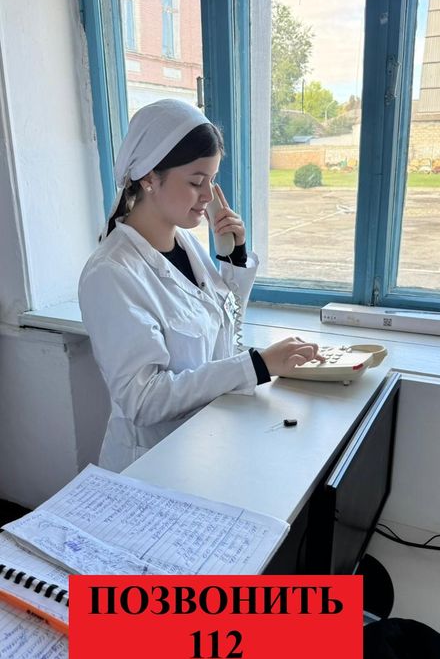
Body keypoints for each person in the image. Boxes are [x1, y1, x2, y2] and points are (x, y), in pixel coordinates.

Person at [79, 98, 322, 471]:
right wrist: (257, 365)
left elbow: (224, 330)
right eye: (196, 182)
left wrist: (234, 257)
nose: (209, 196)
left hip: (206, 445)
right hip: (153, 463)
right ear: (149, 178)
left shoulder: (186, 245)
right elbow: (143, 400)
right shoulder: (111, 274)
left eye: (212, 180)